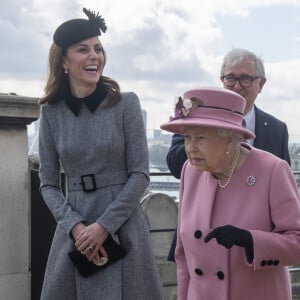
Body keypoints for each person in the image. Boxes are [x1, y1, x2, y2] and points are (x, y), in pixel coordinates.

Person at [38, 8, 164, 300]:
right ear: (64, 62)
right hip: (76, 231)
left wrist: (104, 226)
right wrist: (76, 226)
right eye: (83, 49)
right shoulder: (51, 114)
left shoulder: (126, 104)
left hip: (125, 227)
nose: (94, 56)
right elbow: (48, 184)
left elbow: (140, 174)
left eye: (98, 48)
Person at [160, 86, 300, 300]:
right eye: (187, 138)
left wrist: (251, 240)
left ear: (229, 139)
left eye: (200, 138)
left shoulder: (273, 170)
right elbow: (183, 256)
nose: (191, 148)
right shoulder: (190, 170)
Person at [167, 48, 291, 262]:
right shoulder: (197, 117)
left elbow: (284, 190)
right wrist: (204, 137)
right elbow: (176, 165)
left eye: (245, 79)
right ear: (221, 80)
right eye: (230, 78)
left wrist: (256, 241)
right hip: (201, 242)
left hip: (252, 254)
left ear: (261, 84)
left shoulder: (277, 129)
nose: (236, 86)